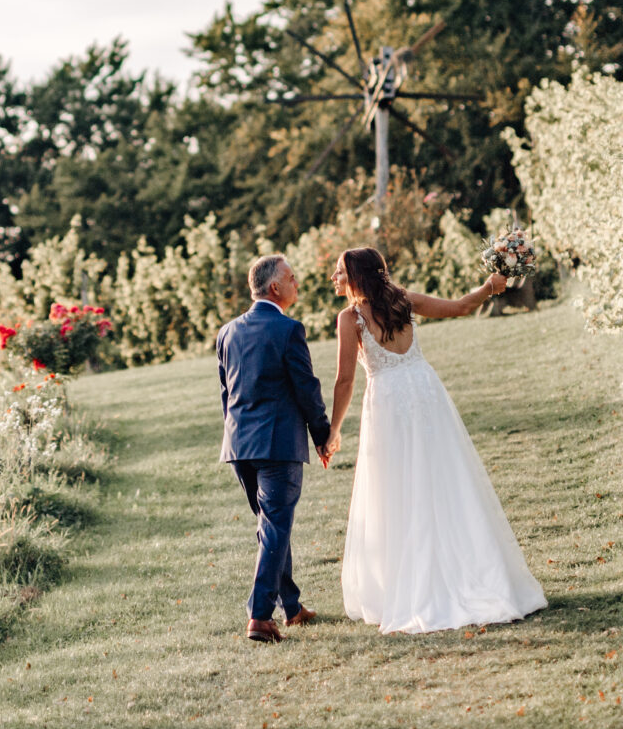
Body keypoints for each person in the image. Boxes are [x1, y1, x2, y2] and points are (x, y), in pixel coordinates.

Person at [327, 245, 546, 634]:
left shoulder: (350, 318)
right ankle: (475, 571)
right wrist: (488, 288)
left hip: (391, 403)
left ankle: (416, 584)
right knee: (443, 478)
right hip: (425, 393)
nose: (334, 278)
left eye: (340, 271)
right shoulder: (403, 299)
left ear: (357, 276)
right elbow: (461, 306)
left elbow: (345, 380)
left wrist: (333, 430)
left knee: (398, 490)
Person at [213, 254, 332, 643]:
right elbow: (307, 388)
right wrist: (322, 434)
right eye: (293, 278)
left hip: (239, 445)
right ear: (275, 287)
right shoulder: (288, 329)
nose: (298, 283)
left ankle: (292, 607)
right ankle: (260, 616)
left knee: (271, 527)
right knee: (275, 526)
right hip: (277, 444)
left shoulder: (227, 332)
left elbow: (225, 394)